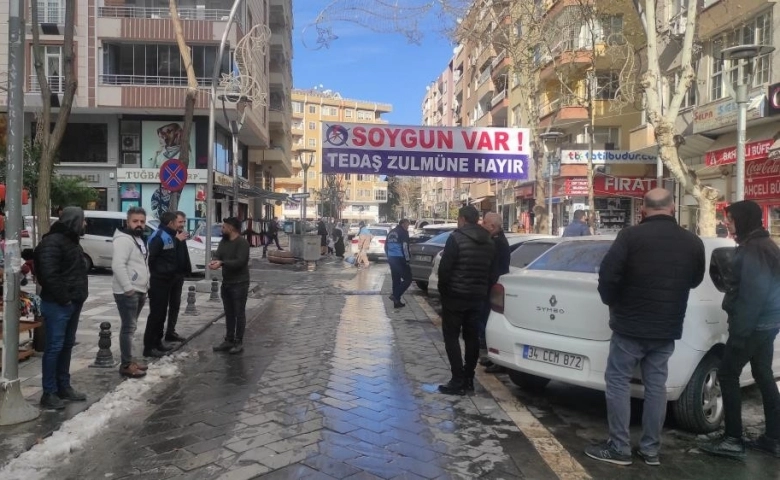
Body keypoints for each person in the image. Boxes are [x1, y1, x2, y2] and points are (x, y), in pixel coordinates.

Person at [587, 188, 705, 466]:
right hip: (666, 326)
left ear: (643, 209)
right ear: (673, 208)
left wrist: (611, 302)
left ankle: (619, 448)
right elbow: (695, 279)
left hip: (629, 325)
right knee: (656, 387)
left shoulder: (630, 236)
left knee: (617, 382)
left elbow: (608, 275)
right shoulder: (692, 242)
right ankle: (650, 450)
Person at [701, 200, 780, 459]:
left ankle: (732, 438)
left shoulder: (754, 250)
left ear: (745, 220)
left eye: (731, 219)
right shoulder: (763, 245)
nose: (728, 223)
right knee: (763, 374)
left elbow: (752, 297)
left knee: (727, 374)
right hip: (766, 324)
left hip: (753, 326)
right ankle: (773, 438)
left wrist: (739, 335)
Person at [34, 206, 89, 410]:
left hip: (72, 302)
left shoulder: (71, 242)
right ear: (74, 221)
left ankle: (63, 386)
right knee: (55, 347)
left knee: (66, 345)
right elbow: (48, 275)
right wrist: (64, 299)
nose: (85, 224)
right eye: (83, 220)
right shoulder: (53, 242)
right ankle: (49, 392)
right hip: (58, 304)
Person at [437, 206, 496, 396]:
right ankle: (469, 378)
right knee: (472, 338)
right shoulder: (489, 240)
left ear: (462, 219)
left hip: (455, 296)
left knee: (451, 337)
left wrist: (444, 293)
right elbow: (490, 269)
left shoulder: (456, 238)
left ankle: (457, 379)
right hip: (477, 297)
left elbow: (445, 269)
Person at [143, 211, 191, 358]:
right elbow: (151, 259)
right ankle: (149, 347)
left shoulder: (170, 236)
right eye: (177, 222)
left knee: (162, 313)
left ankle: (158, 342)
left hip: (167, 280)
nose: (180, 225)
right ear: (170, 223)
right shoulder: (159, 236)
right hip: (158, 281)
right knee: (156, 315)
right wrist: (157, 274)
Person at [111, 207, 150, 379]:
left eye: (142, 221)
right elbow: (118, 265)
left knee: (131, 327)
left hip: (140, 289)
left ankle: (130, 360)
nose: (139, 224)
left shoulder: (139, 239)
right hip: (128, 291)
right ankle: (126, 364)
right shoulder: (123, 240)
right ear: (128, 222)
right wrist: (128, 287)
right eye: (135, 221)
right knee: (128, 328)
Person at [209, 217, 250, 354]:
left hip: (240, 283)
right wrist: (215, 261)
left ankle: (238, 342)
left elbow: (240, 262)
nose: (222, 229)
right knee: (229, 313)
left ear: (231, 228)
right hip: (226, 282)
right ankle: (229, 339)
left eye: (224, 227)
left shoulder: (242, 243)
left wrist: (222, 263)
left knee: (239, 313)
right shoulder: (224, 241)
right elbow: (218, 255)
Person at [480, 212, 511, 374]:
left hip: (494, 288)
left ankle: (499, 361)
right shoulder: (495, 240)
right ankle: (493, 357)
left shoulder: (498, 243)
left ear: (492, 227)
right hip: (492, 287)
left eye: (484, 222)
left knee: (492, 322)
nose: (482, 224)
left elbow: (495, 267)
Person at [385, 219, 412, 309]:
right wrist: (407, 259)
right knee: (408, 279)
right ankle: (395, 295)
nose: (408, 227)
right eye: (407, 225)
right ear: (403, 224)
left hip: (392, 258)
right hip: (400, 258)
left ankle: (397, 302)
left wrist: (389, 257)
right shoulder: (403, 232)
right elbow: (405, 247)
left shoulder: (391, 232)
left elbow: (386, 246)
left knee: (396, 280)